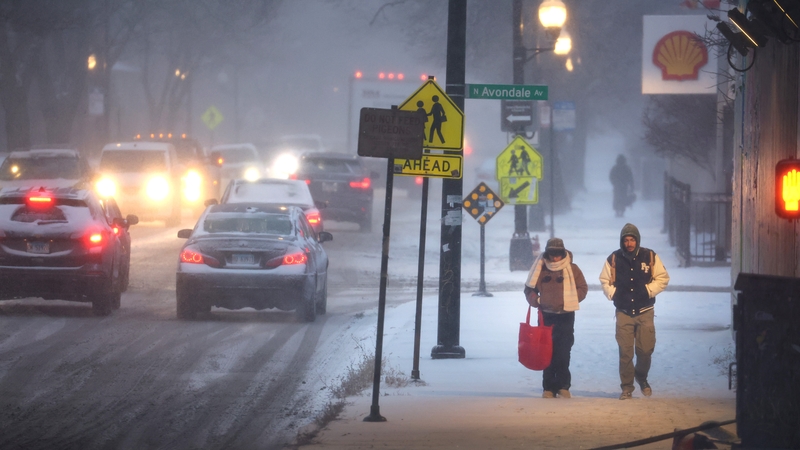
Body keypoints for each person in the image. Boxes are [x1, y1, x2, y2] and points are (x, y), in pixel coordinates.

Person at [599, 223, 670, 400]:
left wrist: (648, 290)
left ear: (637, 240)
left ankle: (641, 376)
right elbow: (604, 280)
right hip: (623, 312)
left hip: (645, 311)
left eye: (632, 240)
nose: (629, 243)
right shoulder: (614, 258)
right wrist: (613, 294)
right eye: (626, 240)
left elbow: (663, 278)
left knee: (645, 350)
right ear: (622, 241)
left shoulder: (650, 256)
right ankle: (627, 387)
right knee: (625, 352)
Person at [523, 238, 588, 399]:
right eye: (552, 254)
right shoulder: (540, 269)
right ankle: (549, 388)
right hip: (546, 316)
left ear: (563, 253)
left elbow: (583, 288)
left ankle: (563, 386)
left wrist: (570, 299)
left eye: (558, 254)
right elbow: (529, 289)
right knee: (546, 352)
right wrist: (537, 300)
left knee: (563, 352)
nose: (555, 258)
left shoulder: (573, 269)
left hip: (566, 315)